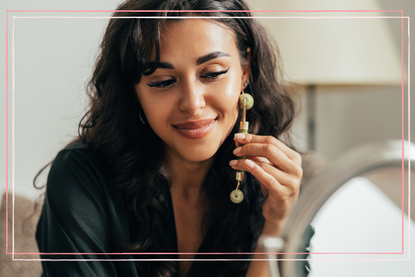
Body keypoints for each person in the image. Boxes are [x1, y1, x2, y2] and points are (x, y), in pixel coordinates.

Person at [35, 0, 306, 276]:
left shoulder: (277, 186)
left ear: (245, 72)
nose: (192, 103)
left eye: (212, 73)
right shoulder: (81, 177)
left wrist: (276, 227)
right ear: (134, 93)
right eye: (163, 81)